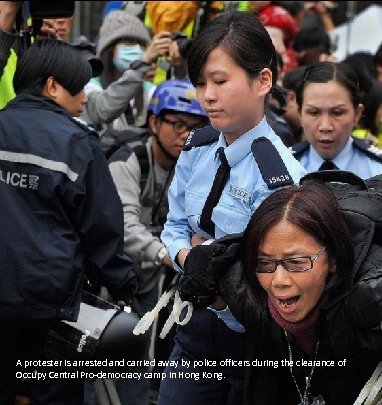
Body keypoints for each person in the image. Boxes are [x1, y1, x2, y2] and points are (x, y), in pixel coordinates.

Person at [157, 11, 307, 404]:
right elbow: (172, 228)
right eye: (201, 83)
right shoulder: (197, 148)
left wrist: (216, 278)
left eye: (220, 81)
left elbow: (270, 273)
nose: (207, 95)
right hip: (192, 327)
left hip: (251, 343)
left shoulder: (281, 176)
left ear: (263, 81)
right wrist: (194, 260)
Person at [0, 39, 137, 404]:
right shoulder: (77, 144)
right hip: (51, 307)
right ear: (52, 86)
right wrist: (124, 285)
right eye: (80, 86)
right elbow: (102, 230)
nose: (87, 96)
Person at [215, 183, 382, 403]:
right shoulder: (243, 283)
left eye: (297, 263)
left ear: (332, 260)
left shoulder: (379, 289)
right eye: (264, 263)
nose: (279, 281)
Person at [106, 79, 208, 404]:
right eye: (178, 124)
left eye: (195, 127)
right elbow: (122, 225)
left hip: (162, 274)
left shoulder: (194, 165)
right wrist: (167, 252)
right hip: (116, 274)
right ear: (154, 122)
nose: (186, 134)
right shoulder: (129, 160)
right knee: (119, 357)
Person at [289, 61, 382, 196]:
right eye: (314, 113)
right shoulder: (281, 168)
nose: (325, 126)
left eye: (337, 113)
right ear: (300, 114)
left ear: (357, 114)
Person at [82, 10, 172, 134]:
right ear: (109, 49)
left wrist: (180, 67)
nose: (135, 48)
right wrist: (143, 63)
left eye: (140, 43)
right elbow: (104, 108)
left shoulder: (149, 91)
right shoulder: (88, 86)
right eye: (128, 42)